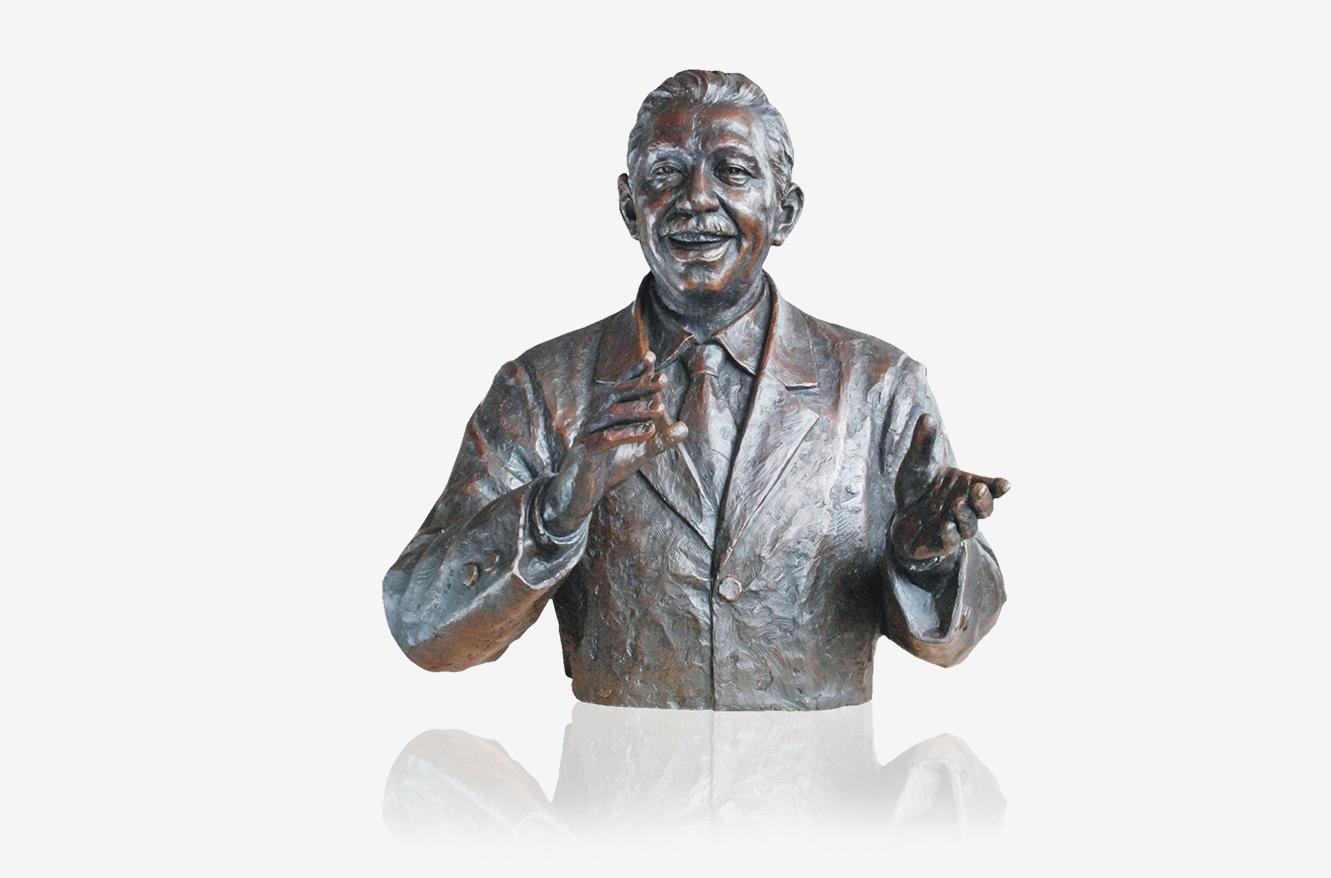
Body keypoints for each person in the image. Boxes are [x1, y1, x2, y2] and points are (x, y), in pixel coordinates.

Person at [383, 70, 1009, 710]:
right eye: (666, 173)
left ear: (785, 211)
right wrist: (554, 510)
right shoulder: (543, 388)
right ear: (630, 208)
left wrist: (925, 562)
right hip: (616, 767)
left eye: (733, 172)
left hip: (821, 768)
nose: (697, 198)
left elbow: (959, 637)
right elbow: (424, 627)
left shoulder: (879, 386)